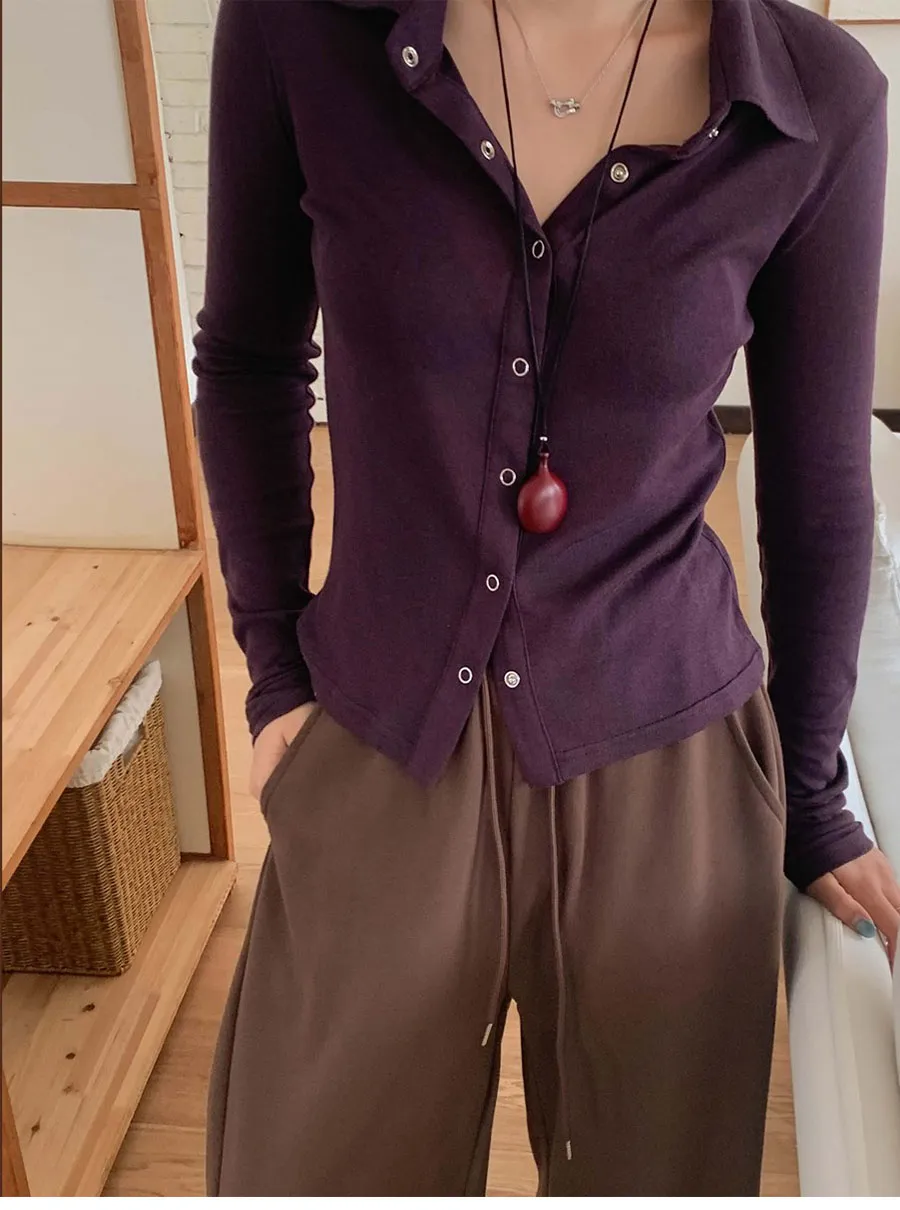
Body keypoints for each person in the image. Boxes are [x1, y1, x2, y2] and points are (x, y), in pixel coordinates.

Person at [193, 0, 899, 1195]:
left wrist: (817, 797)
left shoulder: (816, 101)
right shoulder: (299, 29)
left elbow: (820, 482)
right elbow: (250, 359)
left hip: (669, 768)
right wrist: (272, 671)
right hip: (378, 731)